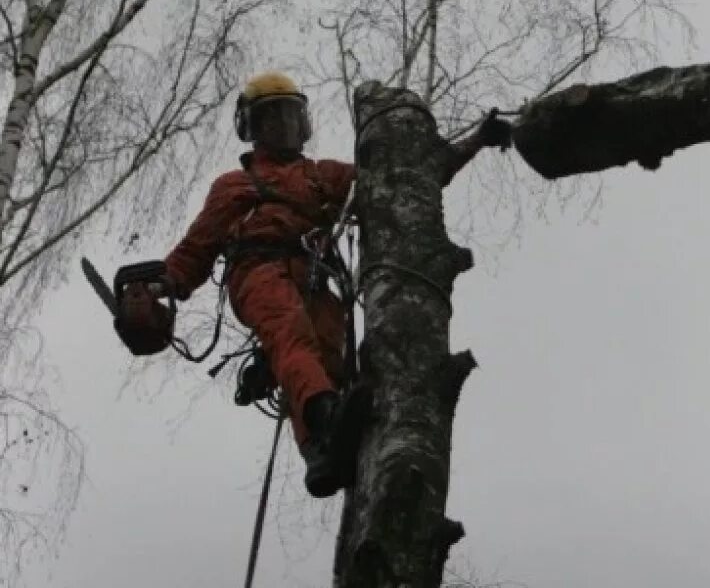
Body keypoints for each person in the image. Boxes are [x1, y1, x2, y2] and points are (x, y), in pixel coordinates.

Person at [159, 71, 510, 498]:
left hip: (316, 278)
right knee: (291, 335)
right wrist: (160, 289)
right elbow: (194, 251)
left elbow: (401, 179)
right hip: (259, 270)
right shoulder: (233, 187)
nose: (285, 129)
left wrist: (474, 142)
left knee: (328, 357)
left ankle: (322, 452)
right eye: (273, 121)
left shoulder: (321, 177)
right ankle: (326, 417)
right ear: (253, 130)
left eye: (291, 118)